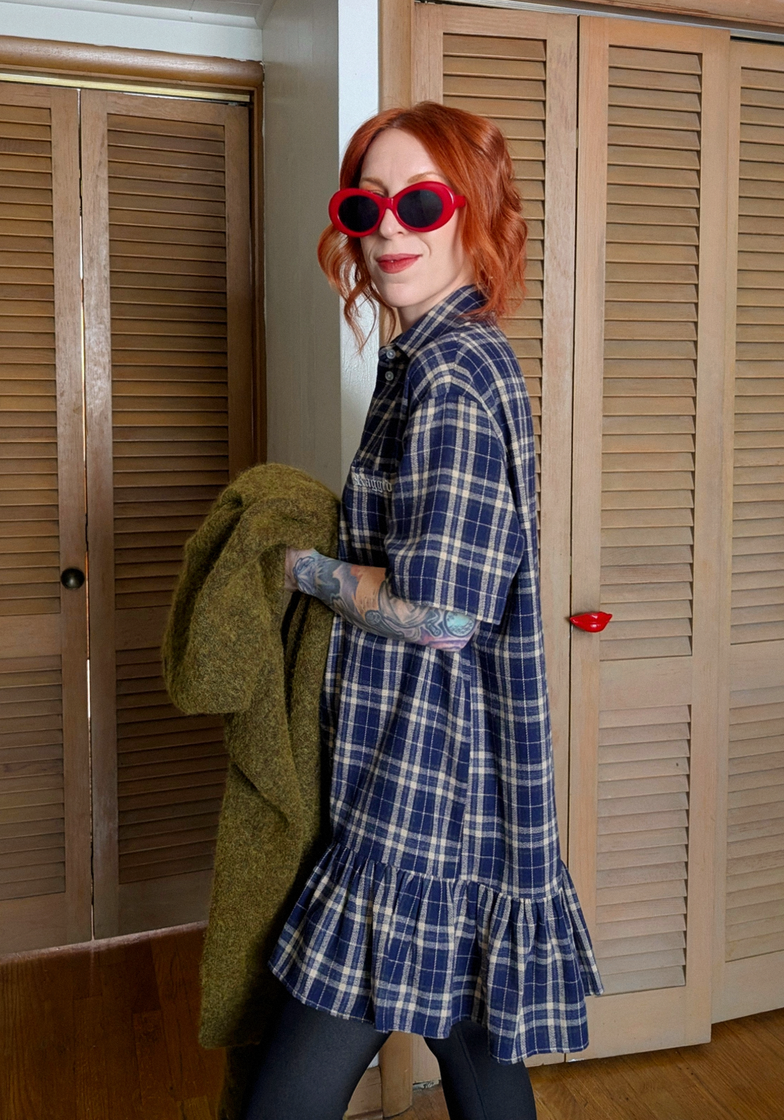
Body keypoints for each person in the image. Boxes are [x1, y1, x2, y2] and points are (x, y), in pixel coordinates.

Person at [240, 101, 603, 1120]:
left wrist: (302, 568)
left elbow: (440, 615)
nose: (388, 227)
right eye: (367, 203)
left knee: (287, 1096)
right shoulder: (448, 358)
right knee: (482, 1065)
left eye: (420, 201)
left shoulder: (444, 375)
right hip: (463, 789)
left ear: (471, 212)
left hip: (420, 795)